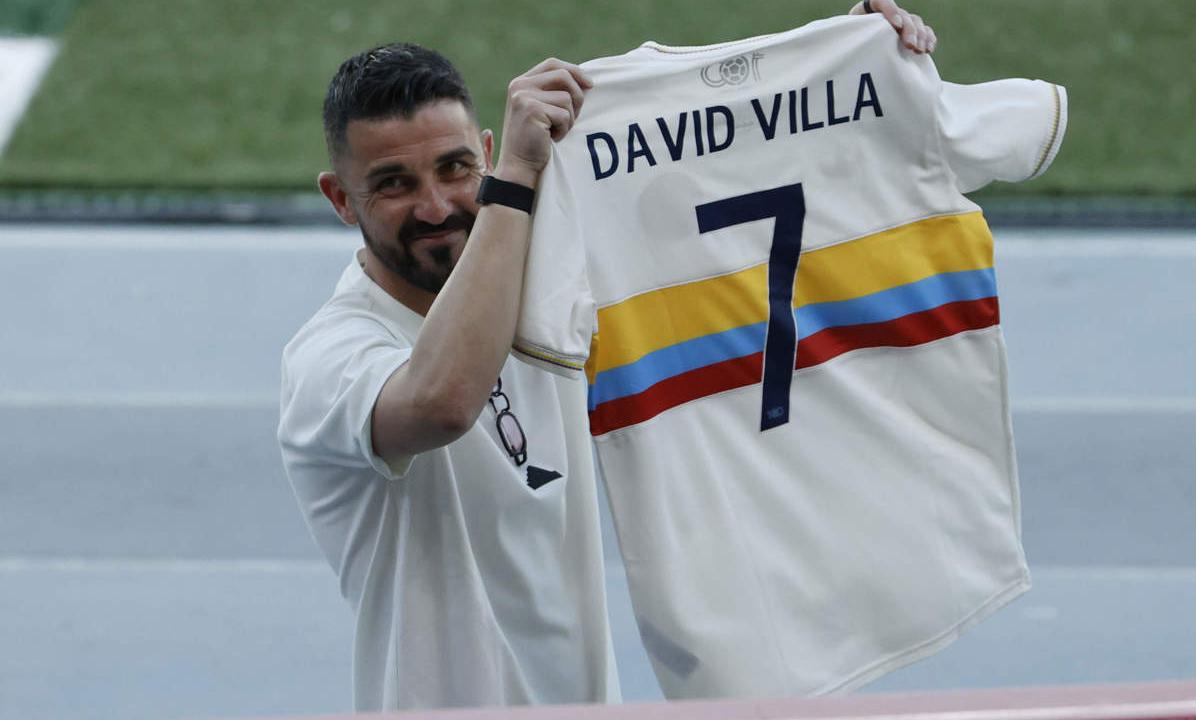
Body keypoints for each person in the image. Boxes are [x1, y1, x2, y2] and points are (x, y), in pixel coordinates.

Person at [277, 1, 935, 712]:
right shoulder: (330, 357)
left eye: (456, 168)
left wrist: (842, 65)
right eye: (394, 184)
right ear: (340, 199)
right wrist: (515, 178)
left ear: (485, 152)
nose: (435, 206)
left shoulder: (546, 281)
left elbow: (712, 194)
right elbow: (443, 402)